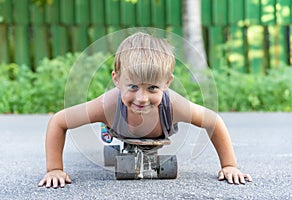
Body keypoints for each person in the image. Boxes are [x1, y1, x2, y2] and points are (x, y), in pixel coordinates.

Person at [38, 32, 252, 188]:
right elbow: (59, 121)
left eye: (152, 88)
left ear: (167, 83)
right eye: (132, 87)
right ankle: (108, 128)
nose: (142, 98)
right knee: (110, 126)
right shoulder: (107, 105)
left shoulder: (174, 105)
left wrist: (229, 165)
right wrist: (54, 169)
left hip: (159, 132)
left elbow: (212, 121)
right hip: (117, 127)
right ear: (116, 79)